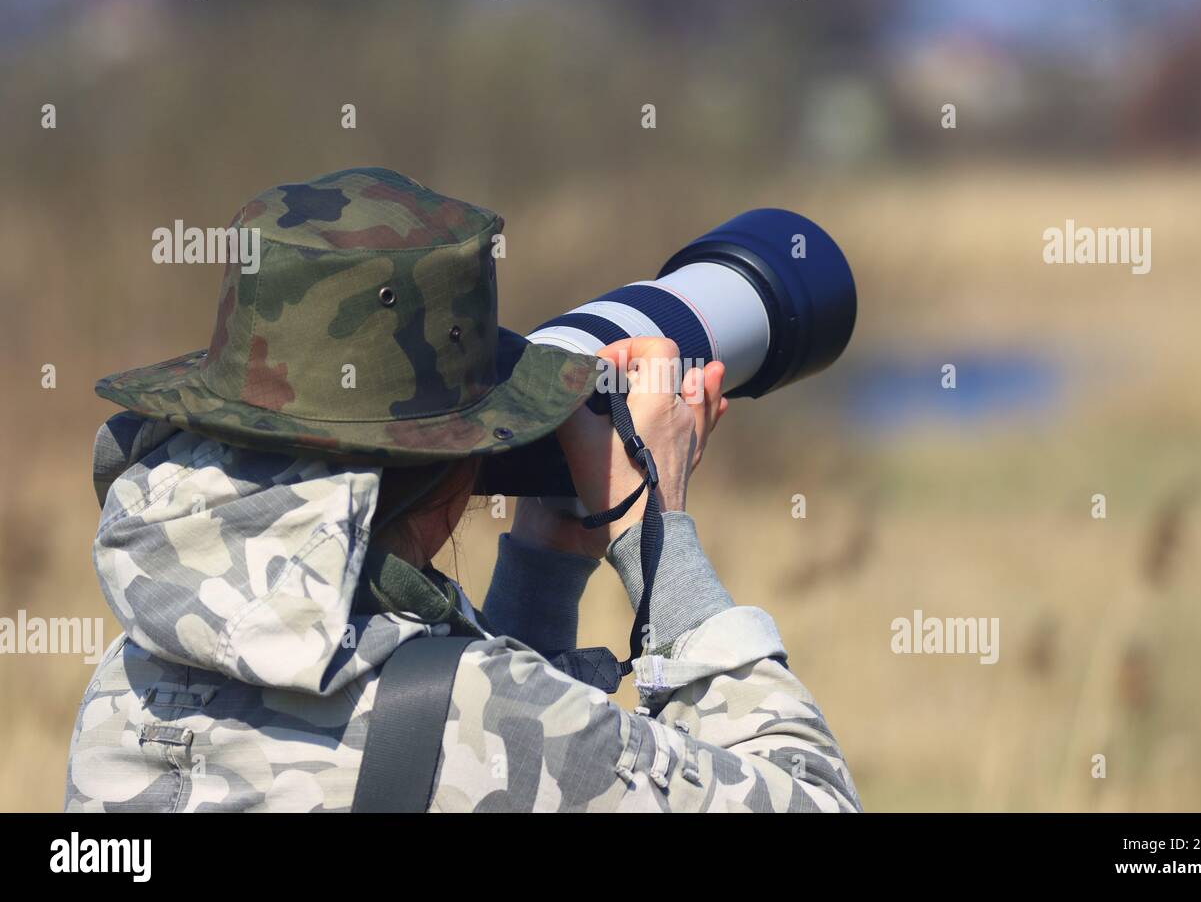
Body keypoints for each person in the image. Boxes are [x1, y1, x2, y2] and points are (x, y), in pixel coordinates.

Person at [64, 167, 861, 812]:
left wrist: (545, 563)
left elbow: (465, 768)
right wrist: (651, 530)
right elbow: (815, 801)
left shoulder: (132, 684)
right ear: (455, 473)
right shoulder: (480, 715)